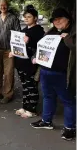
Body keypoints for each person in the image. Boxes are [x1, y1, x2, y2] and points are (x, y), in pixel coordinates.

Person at [30, 7, 76, 141]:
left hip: (63, 74)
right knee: (48, 97)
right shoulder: (51, 32)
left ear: (68, 19)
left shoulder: (73, 32)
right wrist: (34, 56)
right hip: (46, 72)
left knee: (68, 101)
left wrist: (67, 38)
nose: (57, 22)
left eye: (60, 19)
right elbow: (41, 46)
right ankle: (46, 121)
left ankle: (70, 128)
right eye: (54, 20)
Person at [9, 5, 45, 118]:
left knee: (31, 86)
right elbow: (18, 46)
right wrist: (13, 52)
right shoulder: (23, 31)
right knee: (24, 86)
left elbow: (41, 47)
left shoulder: (39, 31)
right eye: (25, 17)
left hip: (31, 64)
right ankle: (25, 106)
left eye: (29, 17)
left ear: (35, 18)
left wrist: (29, 41)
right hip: (20, 63)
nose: (26, 19)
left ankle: (32, 109)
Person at [0, 0, 21, 104]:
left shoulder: (13, 18)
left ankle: (8, 95)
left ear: (7, 5)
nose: (3, 7)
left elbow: (18, 34)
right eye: (1, 5)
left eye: (4, 5)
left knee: (8, 73)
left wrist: (15, 50)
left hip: (9, 50)